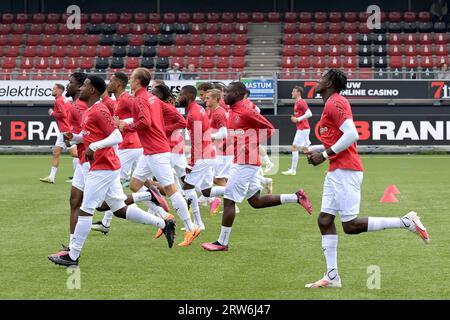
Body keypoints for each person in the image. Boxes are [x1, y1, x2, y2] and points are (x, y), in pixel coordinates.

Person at [303, 69, 429, 288]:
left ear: (330, 82)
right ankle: (332, 277)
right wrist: (316, 149)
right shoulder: (332, 103)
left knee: (350, 225)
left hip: (346, 170)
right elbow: (341, 140)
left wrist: (323, 155)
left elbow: (352, 134)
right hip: (336, 170)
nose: (318, 80)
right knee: (324, 220)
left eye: (322, 77)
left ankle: (406, 222)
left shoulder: (335, 102)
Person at [48, 75, 175, 266]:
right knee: (119, 209)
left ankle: (72, 256)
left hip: (103, 166)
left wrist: (94, 147)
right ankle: (163, 223)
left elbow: (117, 135)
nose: (81, 88)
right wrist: (74, 137)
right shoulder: (91, 110)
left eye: (84, 86)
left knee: (86, 210)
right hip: (104, 166)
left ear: (92, 91)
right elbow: (88, 135)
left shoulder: (99, 110)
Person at [201, 82, 313, 252]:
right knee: (256, 201)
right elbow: (235, 132)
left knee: (230, 200)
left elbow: (269, 129)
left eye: (227, 92)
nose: (224, 96)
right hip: (244, 161)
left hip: (246, 162)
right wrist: (226, 144)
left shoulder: (246, 110)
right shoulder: (232, 110)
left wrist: (250, 144)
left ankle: (222, 242)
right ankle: (296, 197)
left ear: (237, 93)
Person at [116, 68, 199, 247]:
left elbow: (145, 122)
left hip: (156, 151)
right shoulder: (152, 98)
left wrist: (126, 127)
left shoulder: (140, 98)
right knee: (135, 185)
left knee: (171, 189)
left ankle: (191, 227)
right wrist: (161, 130)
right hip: (150, 151)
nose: (130, 81)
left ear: (138, 81)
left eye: (131, 78)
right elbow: (181, 121)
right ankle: (164, 216)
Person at [91, 72, 144, 233]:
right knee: (135, 184)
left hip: (129, 146)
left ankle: (159, 209)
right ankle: (106, 223)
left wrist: (124, 122)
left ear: (119, 84)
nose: (109, 82)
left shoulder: (127, 98)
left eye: (112, 80)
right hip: (128, 145)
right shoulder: (118, 100)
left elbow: (141, 117)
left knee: (113, 185)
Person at [177, 85, 221, 231]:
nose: (178, 97)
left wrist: (191, 162)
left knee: (188, 187)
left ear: (188, 96)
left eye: (180, 95)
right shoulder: (196, 110)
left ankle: (198, 224)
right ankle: (236, 190)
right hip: (207, 154)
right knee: (206, 191)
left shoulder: (194, 113)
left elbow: (197, 140)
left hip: (203, 155)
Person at [40, 84, 77, 184]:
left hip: (66, 131)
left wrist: (52, 113)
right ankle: (51, 177)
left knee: (75, 154)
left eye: (54, 89)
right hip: (65, 130)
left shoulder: (59, 100)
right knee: (56, 152)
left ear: (59, 90)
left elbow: (63, 114)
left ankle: (94, 161)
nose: (52, 90)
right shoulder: (65, 100)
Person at [282, 86, 312, 176]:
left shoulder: (301, 102)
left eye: (293, 91)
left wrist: (298, 119)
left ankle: (293, 170)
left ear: (298, 92)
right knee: (306, 149)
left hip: (303, 128)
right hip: (303, 128)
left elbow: (309, 114)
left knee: (294, 147)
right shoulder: (297, 103)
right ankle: (322, 157)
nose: (292, 93)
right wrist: (295, 119)